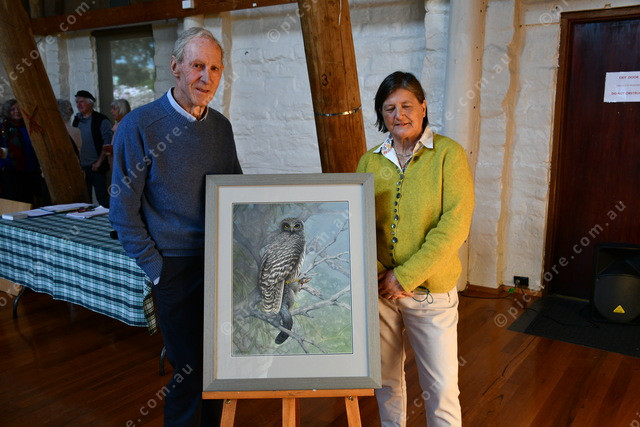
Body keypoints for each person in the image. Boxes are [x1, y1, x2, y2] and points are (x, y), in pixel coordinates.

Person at [109, 27, 242, 426]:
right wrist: (157, 270)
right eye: (197, 65)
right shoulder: (139, 125)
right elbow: (122, 211)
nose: (206, 77)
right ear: (176, 68)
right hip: (174, 267)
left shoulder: (221, 128)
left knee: (219, 367)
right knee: (187, 371)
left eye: (214, 68)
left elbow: (236, 193)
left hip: (219, 265)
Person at [356, 71, 474, 427]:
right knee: (386, 383)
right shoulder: (370, 161)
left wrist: (404, 276)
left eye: (407, 105)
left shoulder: (448, 155)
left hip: (429, 292)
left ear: (423, 107)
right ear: (381, 114)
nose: (399, 115)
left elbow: (454, 226)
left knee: (441, 389)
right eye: (389, 108)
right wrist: (381, 273)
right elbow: (357, 221)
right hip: (381, 291)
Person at [0, 99, 50, 206]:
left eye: (19, 108)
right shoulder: (3, 127)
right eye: (13, 109)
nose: (17, 111)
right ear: (7, 111)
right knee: (13, 202)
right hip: (10, 171)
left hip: (30, 170)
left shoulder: (29, 126)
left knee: (29, 201)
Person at [73, 90, 112, 207]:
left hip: (97, 167)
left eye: (81, 102)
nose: (78, 105)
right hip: (82, 168)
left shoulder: (101, 120)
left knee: (102, 197)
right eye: (77, 102)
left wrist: (99, 162)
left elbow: (107, 144)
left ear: (90, 103)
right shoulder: (77, 120)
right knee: (84, 199)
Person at [107, 98, 131, 170]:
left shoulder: (126, 126)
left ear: (122, 110)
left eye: (114, 109)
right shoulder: (118, 125)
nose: (111, 111)